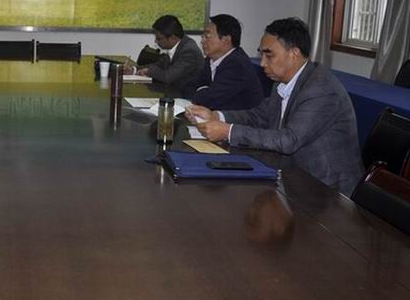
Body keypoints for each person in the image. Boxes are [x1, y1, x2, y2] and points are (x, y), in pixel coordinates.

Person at [186, 17, 363, 195]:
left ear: (294, 54)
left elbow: (289, 140)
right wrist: (216, 116)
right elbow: (259, 115)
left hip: (327, 189)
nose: (262, 63)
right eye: (261, 55)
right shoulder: (282, 82)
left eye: (269, 55)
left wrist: (228, 132)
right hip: (293, 175)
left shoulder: (320, 89)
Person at [190, 14, 264, 110]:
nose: (202, 41)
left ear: (226, 40)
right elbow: (190, 86)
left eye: (207, 36)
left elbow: (209, 100)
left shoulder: (237, 64)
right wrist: (204, 90)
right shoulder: (211, 59)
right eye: (203, 36)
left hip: (239, 118)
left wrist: (202, 90)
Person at [134, 15, 203, 97]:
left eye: (159, 38)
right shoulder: (178, 45)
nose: (156, 41)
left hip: (187, 97)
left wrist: (148, 71)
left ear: (173, 38)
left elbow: (168, 77)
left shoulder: (189, 51)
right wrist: (134, 69)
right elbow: (158, 65)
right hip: (172, 92)